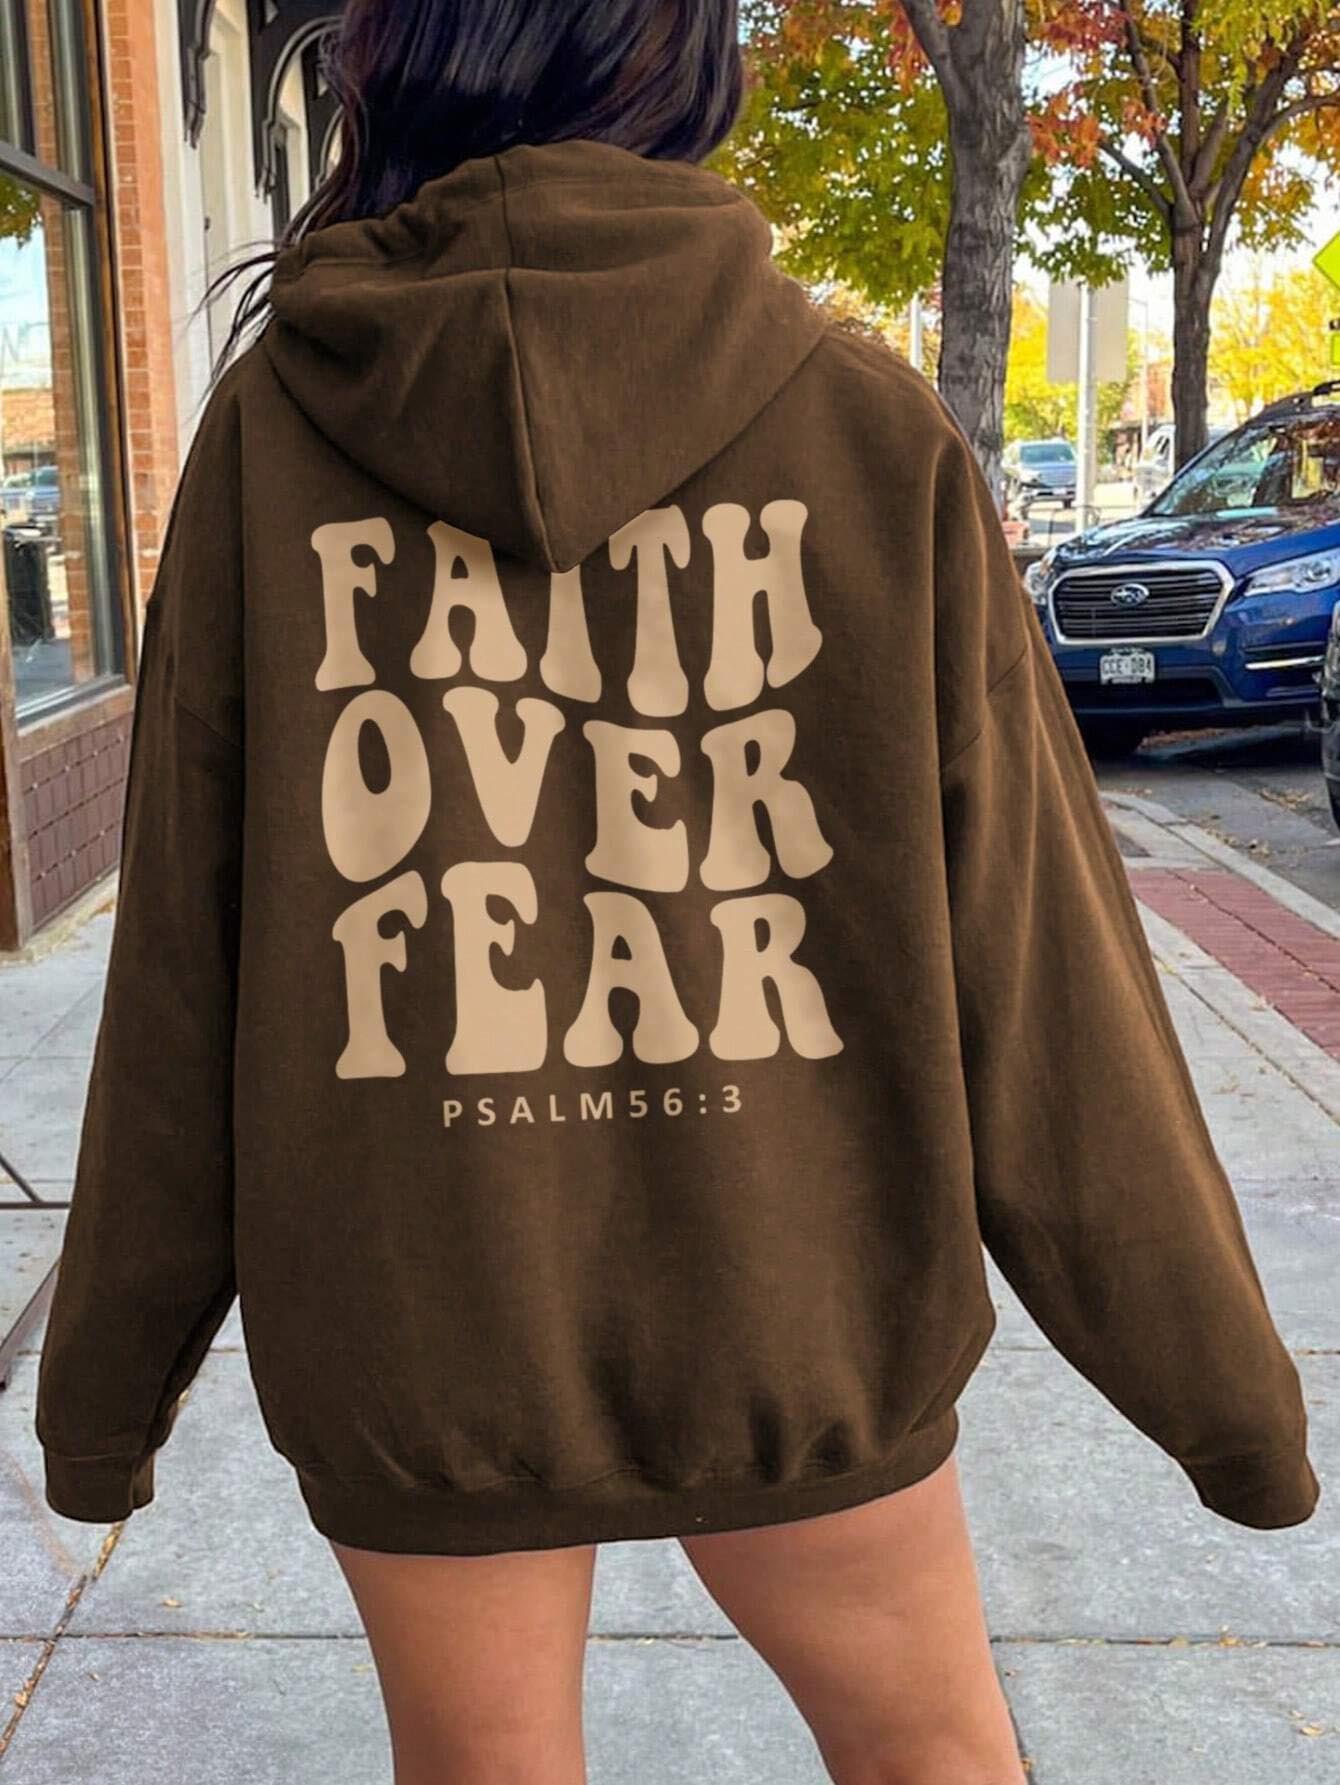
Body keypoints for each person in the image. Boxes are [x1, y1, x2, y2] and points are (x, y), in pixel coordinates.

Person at [35, 4, 1318, 1782]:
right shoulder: (866, 431)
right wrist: (1228, 1401)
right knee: (936, 1755)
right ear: (677, 68)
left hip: (424, 1326)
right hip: (805, 1311)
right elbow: (1049, 979)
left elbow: (184, 966)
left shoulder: (269, 442)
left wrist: (104, 1398)